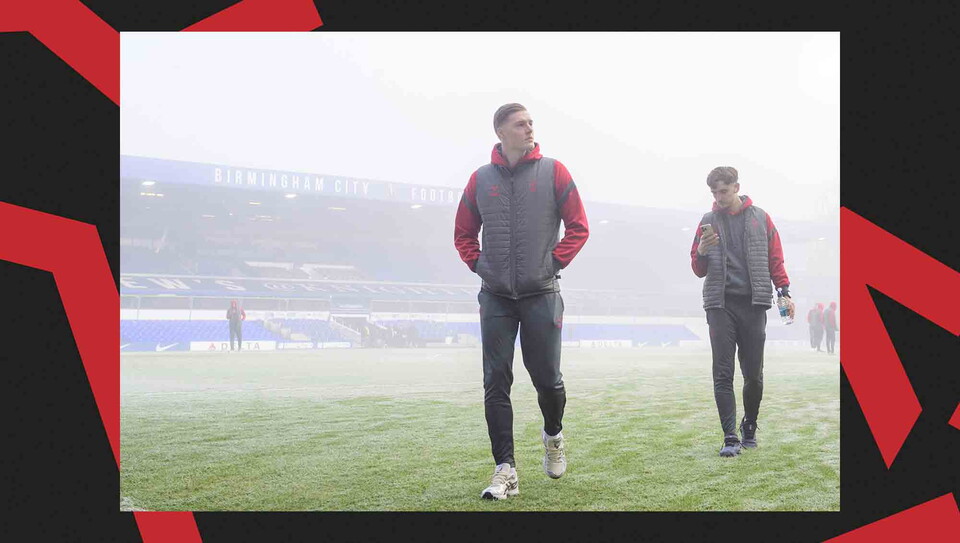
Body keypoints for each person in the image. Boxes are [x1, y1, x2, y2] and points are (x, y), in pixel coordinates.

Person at [454, 103, 589, 499]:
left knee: (547, 380)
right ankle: (505, 469)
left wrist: (553, 263)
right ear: (500, 132)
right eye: (520, 124)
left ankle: (553, 436)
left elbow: (579, 227)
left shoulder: (554, 172)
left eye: (531, 123)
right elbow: (463, 233)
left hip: (541, 293)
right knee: (495, 381)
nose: (530, 129)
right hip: (495, 295)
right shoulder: (479, 180)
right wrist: (481, 266)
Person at [690, 166, 794, 458]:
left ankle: (749, 424)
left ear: (737, 187)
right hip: (720, 306)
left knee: (753, 375)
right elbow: (698, 270)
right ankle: (730, 437)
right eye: (714, 192)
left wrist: (784, 291)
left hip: (753, 305)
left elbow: (776, 259)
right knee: (722, 374)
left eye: (723, 191)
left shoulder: (761, 218)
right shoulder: (707, 221)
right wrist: (701, 250)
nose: (719, 197)